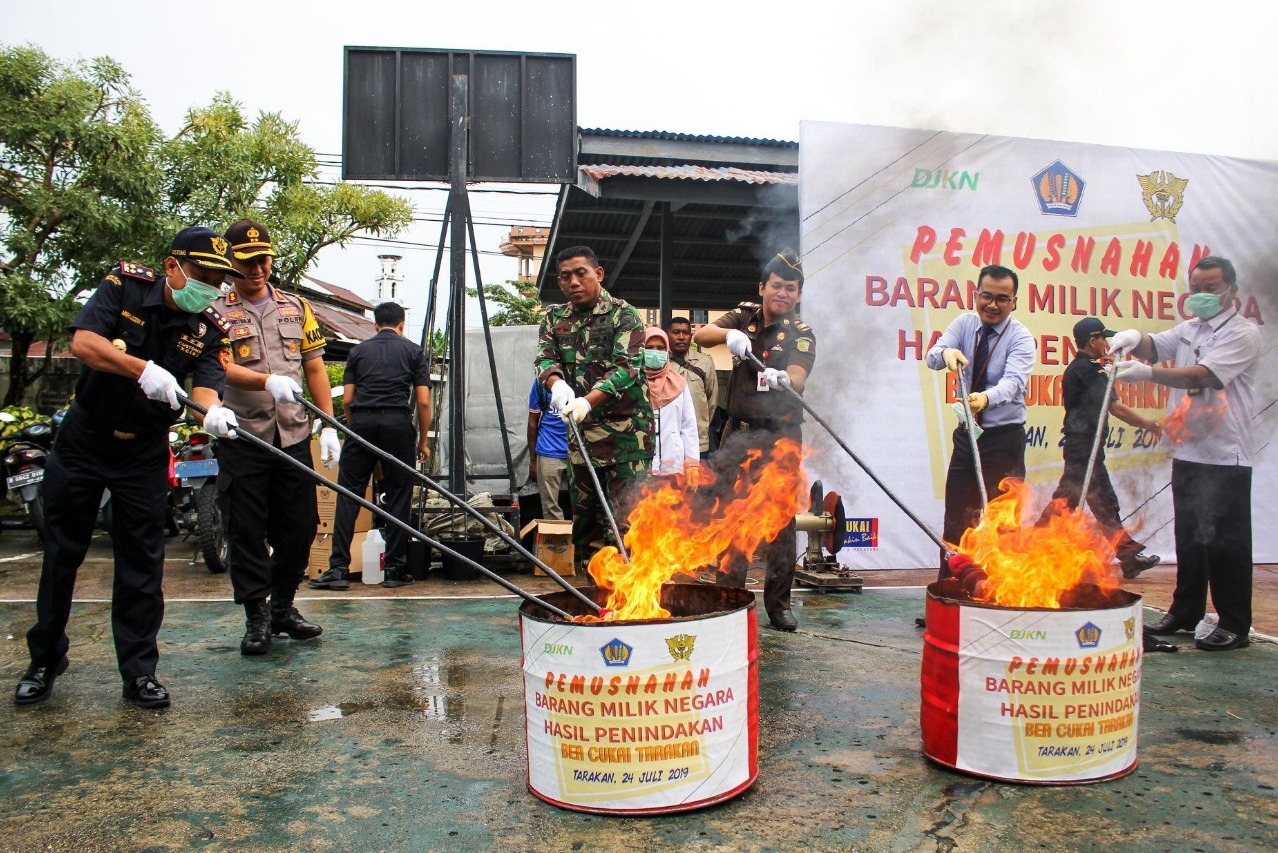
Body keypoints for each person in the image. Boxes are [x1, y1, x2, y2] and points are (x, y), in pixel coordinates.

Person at [16, 226, 241, 709]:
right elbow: (84, 343)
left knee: (142, 563)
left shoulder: (209, 329)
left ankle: (139, 672)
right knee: (62, 555)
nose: (212, 287)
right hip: (84, 441)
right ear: (173, 267)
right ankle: (45, 659)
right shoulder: (123, 288)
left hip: (142, 450)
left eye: (219, 280)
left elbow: (204, 387)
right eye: (203, 275)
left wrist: (213, 411)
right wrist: (143, 369)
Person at [1110, 256, 1260, 652]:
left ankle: (1235, 624)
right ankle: (1185, 611)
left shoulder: (1242, 334)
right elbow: (1155, 346)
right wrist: (1131, 337)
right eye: (1196, 288)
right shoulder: (1191, 329)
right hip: (1189, 449)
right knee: (1190, 538)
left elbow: (1204, 375)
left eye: (1211, 289)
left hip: (1226, 453)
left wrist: (1147, 374)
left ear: (1232, 291)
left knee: (1226, 542)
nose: (1202, 296)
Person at [215, 219, 339, 656]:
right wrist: (265, 381)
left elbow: (315, 366)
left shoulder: (295, 307)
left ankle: (284, 605)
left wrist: (327, 423)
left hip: (292, 434)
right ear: (230, 260)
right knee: (246, 530)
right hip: (241, 435)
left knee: (300, 527)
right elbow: (219, 367)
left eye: (263, 260)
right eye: (247, 262)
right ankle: (257, 616)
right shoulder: (216, 310)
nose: (257, 269)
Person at [694, 249, 814, 632]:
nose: (782, 293)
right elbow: (701, 335)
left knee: (780, 525)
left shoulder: (802, 332)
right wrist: (729, 334)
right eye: (776, 285)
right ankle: (728, 599)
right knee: (732, 518)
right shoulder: (743, 316)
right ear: (763, 287)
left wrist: (786, 381)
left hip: (780, 438)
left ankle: (778, 605)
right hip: (739, 433)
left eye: (790, 289)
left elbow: (798, 373)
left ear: (797, 296)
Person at [534, 245, 654, 568]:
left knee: (627, 527)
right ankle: (593, 598)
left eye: (580, 273)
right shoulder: (554, 318)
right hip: (581, 440)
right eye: (565, 277)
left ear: (598, 274)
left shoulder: (622, 314)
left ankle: (631, 602)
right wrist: (556, 382)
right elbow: (545, 358)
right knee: (585, 527)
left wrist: (588, 400)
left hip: (627, 439)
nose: (573, 282)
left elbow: (627, 368)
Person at [310, 301, 432, 590]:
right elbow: (424, 401)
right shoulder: (413, 351)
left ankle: (338, 569)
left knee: (349, 494)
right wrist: (423, 441)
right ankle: (394, 570)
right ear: (402, 324)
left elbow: (348, 400)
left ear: (375, 325)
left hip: (362, 423)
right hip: (396, 423)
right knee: (399, 494)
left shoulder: (358, 351)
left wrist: (356, 429)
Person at [926, 264, 1036, 576]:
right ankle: (949, 592)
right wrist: (946, 353)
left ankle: (995, 594)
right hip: (968, 436)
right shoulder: (964, 323)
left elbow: (1013, 384)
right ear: (976, 295)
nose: (992, 305)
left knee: (1001, 522)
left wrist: (983, 399)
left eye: (1002, 299)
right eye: (986, 296)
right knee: (956, 519)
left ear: (1014, 301)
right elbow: (933, 355)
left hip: (1003, 440)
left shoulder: (1021, 337)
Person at [1038, 317, 1161, 578]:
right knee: (1073, 502)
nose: (1106, 344)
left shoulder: (1084, 368)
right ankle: (1029, 547)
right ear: (1092, 341)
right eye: (1103, 339)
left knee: (1086, 501)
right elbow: (1114, 407)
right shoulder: (1087, 370)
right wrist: (1149, 425)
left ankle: (1128, 557)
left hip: (1086, 447)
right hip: (1084, 448)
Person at [642, 327, 702, 482]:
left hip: (673, 469)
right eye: (649, 348)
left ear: (667, 350)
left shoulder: (679, 384)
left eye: (660, 348)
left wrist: (692, 463)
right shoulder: (631, 382)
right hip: (639, 469)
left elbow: (688, 427)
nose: (655, 352)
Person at [666, 317, 719, 458]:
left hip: (698, 442)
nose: (681, 337)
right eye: (676, 332)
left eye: (686, 333)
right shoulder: (660, 361)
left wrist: (701, 425)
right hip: (666, 443)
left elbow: (712, 402)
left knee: (698, 479)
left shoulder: (704, 363)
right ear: (667, 334)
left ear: (691, 336)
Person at [526, 377, 570, 520]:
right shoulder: (542, 382)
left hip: (578, 450)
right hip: (548, 448)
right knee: (550, 506)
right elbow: (532, 423)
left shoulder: (583, 375)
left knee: (584, 503)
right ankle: (558, 540)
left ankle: (581, 540)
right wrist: (533, 460)